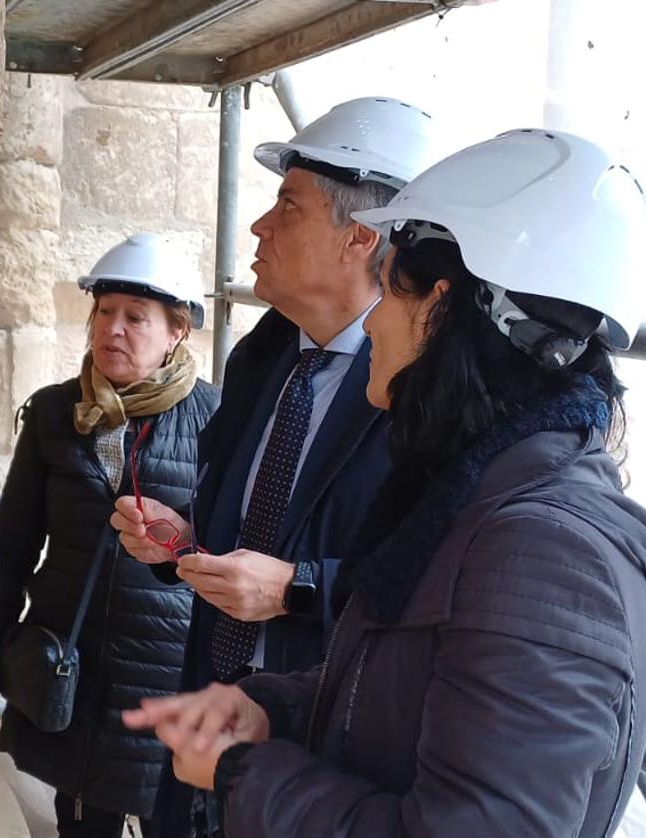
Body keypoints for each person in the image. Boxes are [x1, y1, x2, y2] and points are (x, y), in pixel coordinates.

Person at [125, 128, 646, 837]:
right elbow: (402, 687)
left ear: (441, 305)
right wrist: (272, 709)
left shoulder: (544, 556)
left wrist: (243, 770)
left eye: (390, 291)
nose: (373, 327)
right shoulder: (474, 491)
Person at [110, 96, 442, 836]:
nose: (259, 226)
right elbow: (240, 524)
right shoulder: (263, 356)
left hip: (319, 752)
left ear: (360, 237)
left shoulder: (423, 399)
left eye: (287, 207)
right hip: (208, 720)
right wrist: (178, 543)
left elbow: (424, 581)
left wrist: (300, 591)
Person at [0, 233, 220, 837]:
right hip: (74, 664)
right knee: (80, 821)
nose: (112, 329)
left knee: (171, 819)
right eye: (104, 312)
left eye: (135, 318)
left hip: (165, 677)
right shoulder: (51, 414)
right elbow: (13, 547)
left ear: (176, 333)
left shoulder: (217, 420)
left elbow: (231, 545)